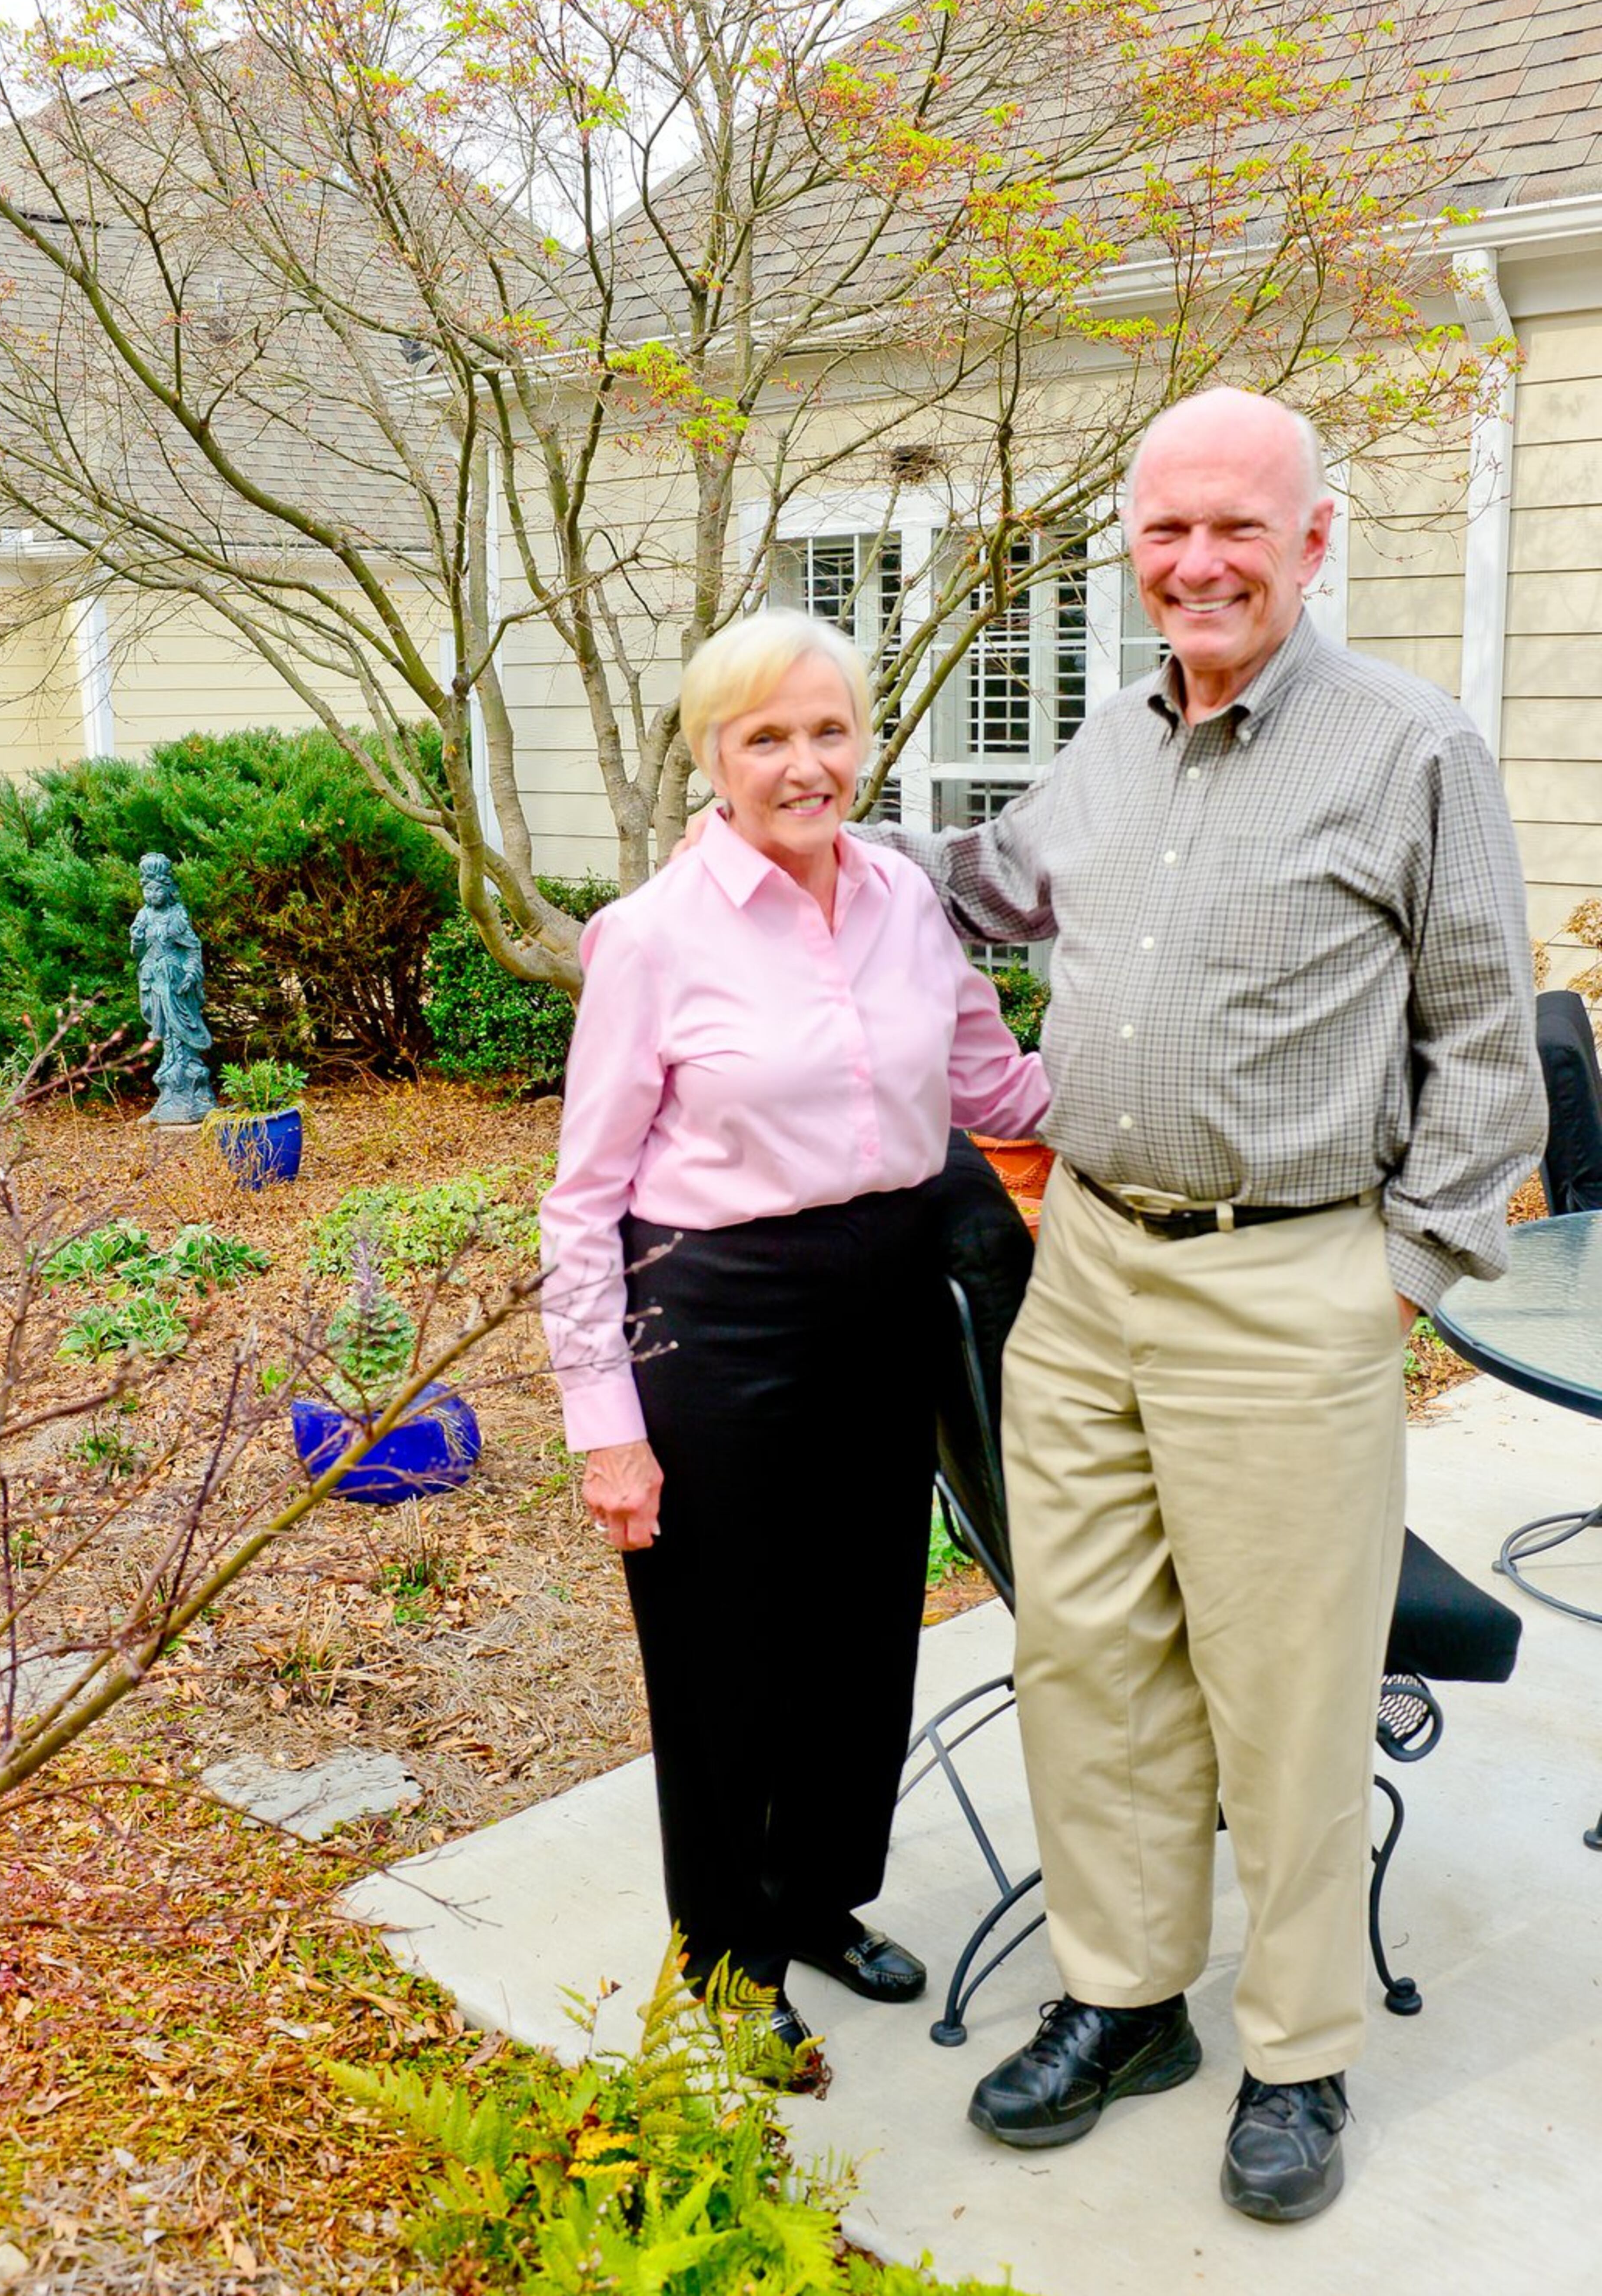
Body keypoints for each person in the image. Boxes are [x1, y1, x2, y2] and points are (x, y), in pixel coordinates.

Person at [873, 388, 1545, 2220]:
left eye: (1236, 527)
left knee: (1288, 1689)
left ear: (1310, 540)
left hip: (1290, 1281)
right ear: (1132, 546)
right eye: (1165, 528)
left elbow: (1492, 1058)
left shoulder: (1412, 749)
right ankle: (1124, 2000)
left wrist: (1387, 1282)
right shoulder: (1103, 745)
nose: (1197, 560)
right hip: (1086, 1270)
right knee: (1086, 1655)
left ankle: (1300, 2051)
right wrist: (803, 851)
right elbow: (986, 895)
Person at [539, 608, 1048, 2080]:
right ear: (714, 756)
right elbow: (582, 1202)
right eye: (768, 736)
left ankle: (820, 1902)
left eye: (829, 730)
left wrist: (1157, 1067)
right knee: (723, 1657)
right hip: (720, 1316)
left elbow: (995, 1083)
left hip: (886, 1296)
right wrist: (607, 1423)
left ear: (863, 741)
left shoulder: (905, 900)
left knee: (861, 1633)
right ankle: (724, 1959)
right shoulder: (649, 939)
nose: (805, 763)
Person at [130, 851, 214, 1123]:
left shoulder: (177, 914)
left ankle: (190, 1087)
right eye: (148, 889)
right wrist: (137, 940)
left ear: (168, 889)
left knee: (182, 1031)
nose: (153, 895)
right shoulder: (143, 915)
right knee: (165, 1032)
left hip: (176, 984)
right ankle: (170, 1087)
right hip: (154, 981)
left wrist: (191, 973)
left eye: (158, 889)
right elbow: (139, 950)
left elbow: (192, 948)